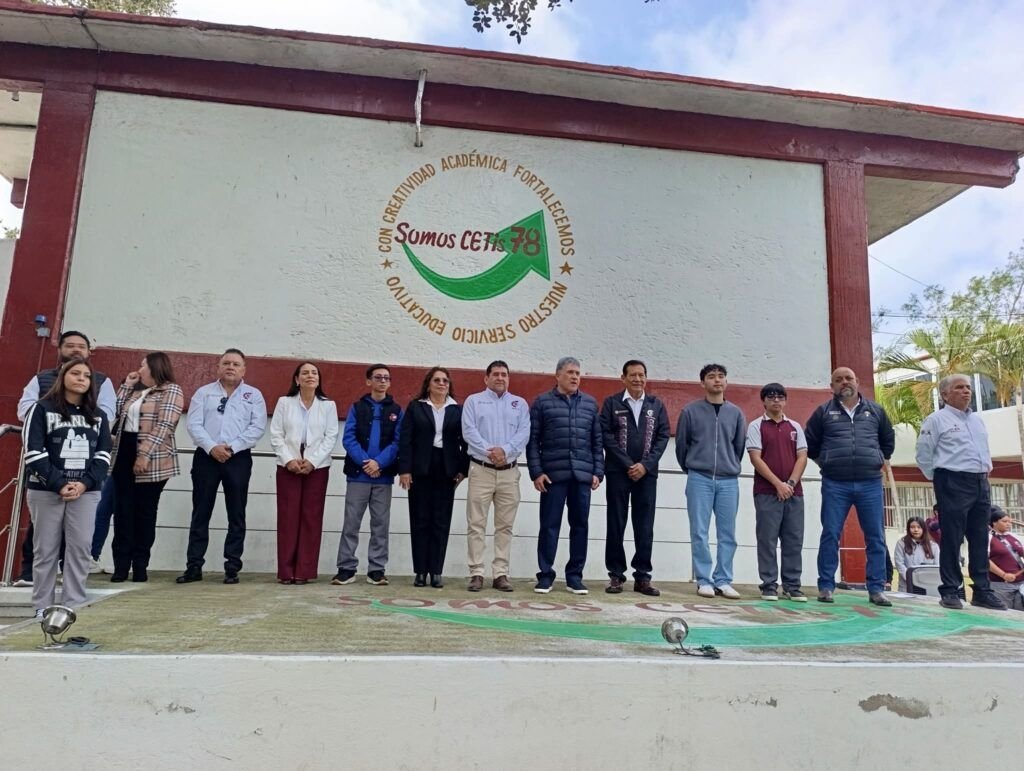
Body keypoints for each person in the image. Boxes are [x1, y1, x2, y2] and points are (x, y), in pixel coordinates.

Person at [15, 330, 116, 586]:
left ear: (89, 351)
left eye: (81, 346)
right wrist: (55, 414)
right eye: (69, 345)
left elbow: (106, 415)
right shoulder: (41, 379)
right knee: (41, 528)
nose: (75, 350)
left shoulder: (102, 381)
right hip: (47, 465)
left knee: (78, 533)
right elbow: (25, 410)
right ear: (60, 349)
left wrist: (77, 417)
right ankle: (30, 576)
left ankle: (69, 583)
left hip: (84, 468)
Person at [805, 366, 895, 606]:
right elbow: (810, 444)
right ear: (832, 386)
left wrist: (876, 459)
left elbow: (888, 442)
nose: (844, 382)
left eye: (849, 378)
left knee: (876, 536)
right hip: (835, 483)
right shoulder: (823, 412)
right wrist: (826, 461)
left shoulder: (875, 411)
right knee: (830, 534)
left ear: (857, 382)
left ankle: (876, 589)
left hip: (870, 483)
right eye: (839, 379)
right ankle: (826, 586)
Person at [915, 373, 1006, 610]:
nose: (966, 391)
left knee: (980, 537)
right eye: (959, 387)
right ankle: (950, 590)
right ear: (945, 395)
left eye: (968, 387)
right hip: (952, 481)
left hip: (980, 482)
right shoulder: (936, 420)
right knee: (953, 537)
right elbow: (924, 454)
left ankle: (982, 591)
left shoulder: (977, 421)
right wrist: (940, 479)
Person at [177, 349, 267, 585]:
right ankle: (194, 566)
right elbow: (194, 424)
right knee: (201, 512)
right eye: (226, 363)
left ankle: (232, 567)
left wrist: (232, 447)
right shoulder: (204, 393)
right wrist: (212, 447)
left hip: (238, 458)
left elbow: (257, 427)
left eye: (236, 364)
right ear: (218, 367)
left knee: (236, 513)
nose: (230, 367)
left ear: (244, 370)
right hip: (207, 457)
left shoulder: (253, 395)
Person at [527, 356, 603, 595]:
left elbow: (597, 441)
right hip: (553, 476)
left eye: (577, 373)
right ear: (557, 375)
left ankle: (574, 577)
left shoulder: (590, 404)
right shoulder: (542, 403)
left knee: (580, 526)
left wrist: (597, 471)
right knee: (549, 526)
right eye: (570, 372)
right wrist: (537, 472)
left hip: (582, 475)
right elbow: (533, 441)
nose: (574, 377)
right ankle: (545, 575)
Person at [109, 352, 185, 582]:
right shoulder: (136, 391)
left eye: (143, 365)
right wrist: (126, 385)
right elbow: (116, 412)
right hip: (124, 452)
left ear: (154, 367)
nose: (139, 369)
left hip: (153, 456)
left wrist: (144, 455)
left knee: (144, 512)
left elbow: (165, 425)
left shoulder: (171, 390)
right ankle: (121, 565)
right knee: (123, 511)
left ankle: (140, 565)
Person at [675, 363, 746, 599]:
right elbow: (682, 446)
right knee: (699, 531)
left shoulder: (736, 413)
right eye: (712, 376)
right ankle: (704, 580)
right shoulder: (690, 412)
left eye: (721, 376)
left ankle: (723, 580)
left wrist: (728, 465)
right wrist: (693, 468)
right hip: (699, 478)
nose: (717, 380)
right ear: (702, 383)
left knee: (728, 533)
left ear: (726, 382)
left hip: (728, 481)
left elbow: (738, 447)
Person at [600, 359, 669, 596]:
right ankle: (616, 575)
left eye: (641, 375)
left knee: (645, 526)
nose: (638, 379)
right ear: (623, 378)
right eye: (633, 375)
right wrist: (629, 464)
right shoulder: (612, 403)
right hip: (618, 473)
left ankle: (643, 576)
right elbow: (606, 436)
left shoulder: (656, 405)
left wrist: (645, 466)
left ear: (646, 378)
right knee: (615, 523)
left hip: (646, 475)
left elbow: (662, 437)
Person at [461, 360, 530, 592]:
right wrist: (491, 452)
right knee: (476, 524)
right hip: (481, 470)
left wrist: (506, 451)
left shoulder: (519, 404)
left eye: (504, 374)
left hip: (509, 473)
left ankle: (500, 573)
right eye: (496, 374)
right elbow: (469, 432)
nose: (500, 378)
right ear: (486, 378)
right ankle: (476, 573)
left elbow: (523, 433)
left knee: (505, 526)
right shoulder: (473, 401)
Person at [398, 367, 469, 588]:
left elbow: (466, 442)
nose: (441, 384)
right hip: (420, 469)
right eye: (437, 380)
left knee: (441, 521)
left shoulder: (457, 410)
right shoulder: (416, 407)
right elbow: (406, 439)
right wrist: (404, 470)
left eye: (445, 381)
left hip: (446, 470)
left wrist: (463, 470)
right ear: (428, 384)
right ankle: (420, 571)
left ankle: (436, 571)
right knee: (420, 520)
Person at [269, 362, 339, 585]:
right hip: (288, 465)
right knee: (288, 517)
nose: (310, 376)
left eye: (314, 373)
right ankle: (286, 571)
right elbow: (276, 434)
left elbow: (331, 437)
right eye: (305, 373)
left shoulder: (328, 405)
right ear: (297, 379)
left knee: (311, 517)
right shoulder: (284, 402)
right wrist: (289, 459)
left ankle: (304, 571)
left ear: (319, 380)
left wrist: (312, 461)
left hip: (317, 466)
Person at [333, 364, 402, 587]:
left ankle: (376, 569)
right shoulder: (357, 407)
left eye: (386, 378)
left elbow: (397, 442)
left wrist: (379, 463)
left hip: (383, 476)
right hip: (358, 476)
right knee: (351, 523)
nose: (382, 381)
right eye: (378, 377)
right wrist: (366, 462)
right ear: (368, 381)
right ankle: (346, 568)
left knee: (380, 524)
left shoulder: (396, 410)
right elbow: (349, 438)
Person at [745, 382, 808, 602]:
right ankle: (769, 585)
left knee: (793, 540)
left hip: (794, 493)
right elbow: (755, 458)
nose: (776, 401)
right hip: (766, 492)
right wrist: (777, 484)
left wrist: (790, 483)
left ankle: (792, 586)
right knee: (767, 540)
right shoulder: (756, 426)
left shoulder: (795, 427)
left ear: (785, 400)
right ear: (763, 401)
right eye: (771, 397)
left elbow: (802, 457)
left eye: (780, 397)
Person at [987, 506, 1024, 611]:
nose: (1009, 524)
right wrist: (1003, 575)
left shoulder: (1013, 536)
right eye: (1005, 521)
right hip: (1000, 584)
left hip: (1021, 582)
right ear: (994, 522)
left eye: (1010, 522)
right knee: (1005, 613)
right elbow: (984, 560)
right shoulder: (987, 538)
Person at [893, 517, 940, 593]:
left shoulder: (933, 546)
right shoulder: (901, 543)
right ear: (908, 529)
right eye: (912, 527)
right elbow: (899, 564)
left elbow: (936, 566)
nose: (916, 530)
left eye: (919, 527)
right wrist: (911, 579)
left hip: (927, 586)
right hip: (906, 586)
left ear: (924, 529)